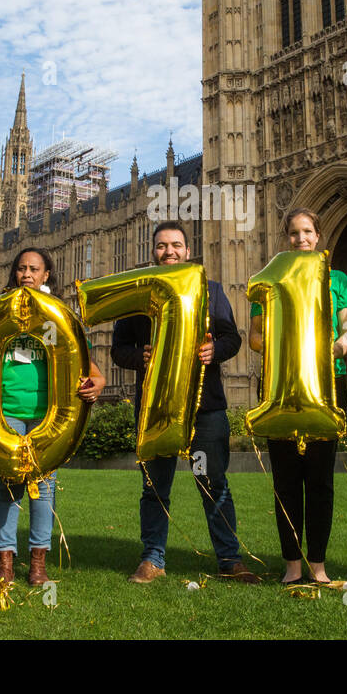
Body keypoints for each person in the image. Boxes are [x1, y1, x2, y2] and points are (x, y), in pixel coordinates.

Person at [111, 220, 259, 585]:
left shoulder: (209, 291)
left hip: (203, 410)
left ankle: (228, 559)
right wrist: (138, 357)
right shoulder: (138, 295)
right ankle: (152, 559)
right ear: (153, 252)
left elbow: (232, 338)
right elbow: (117, 349)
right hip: (156, 409)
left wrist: (214, 350)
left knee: (210, 481)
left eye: (175, 245)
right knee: (155, 488)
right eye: (162, 246)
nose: (169, 252)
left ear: (187, 250)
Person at [0, 247, 106, 586]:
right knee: (6, 488)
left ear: (47, 274)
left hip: (48, 414)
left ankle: (38, 561)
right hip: (5, 412)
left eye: (34, 269)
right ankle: (5, 560)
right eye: (21, 268)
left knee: (43, 489)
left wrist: (98, 384)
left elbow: (89, 367)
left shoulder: (57, 315)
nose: (27, 274)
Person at [247, 208, 347, 584]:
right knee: (286, 479)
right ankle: (292, 565)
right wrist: (287, 351)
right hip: (281, 386)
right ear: (287, 238)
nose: (301, 239)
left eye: (307, 231)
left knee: (321, 479)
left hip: (327, 384)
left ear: (318, 235)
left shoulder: (337, 279)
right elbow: (255, 337)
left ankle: (318, 566)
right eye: (294, 233)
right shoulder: (271, 279)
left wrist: (326, 353)